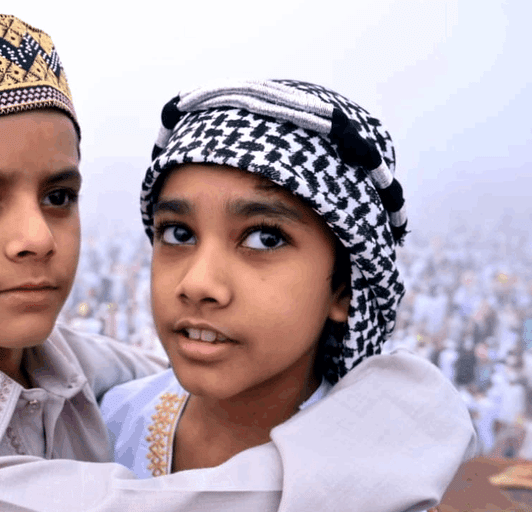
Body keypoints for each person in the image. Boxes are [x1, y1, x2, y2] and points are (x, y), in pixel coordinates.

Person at [0, 16, 473, 511]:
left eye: (59, 196)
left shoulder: (63, 369)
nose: (37, 238)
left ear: (347, 280)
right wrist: (406, 420)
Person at [100, 79, 476, 509]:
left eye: (265, 239)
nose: (198, 284)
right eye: (178, 234)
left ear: (343, 289)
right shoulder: (107, 426)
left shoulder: (383, 484)